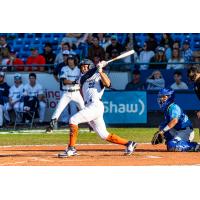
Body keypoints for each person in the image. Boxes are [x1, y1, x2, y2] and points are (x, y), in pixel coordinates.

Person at [58, 60, 137, 158]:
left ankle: (71, 148)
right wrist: (97, 67)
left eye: (85, 66)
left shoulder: (99, 75)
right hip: (90, 106)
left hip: (95, 105)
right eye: (82, 67)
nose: (83, 68)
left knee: (73, 120)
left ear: (90, 66)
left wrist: (100, 71)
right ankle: (129, 143)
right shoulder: (81, 78)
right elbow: (87, 76)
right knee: (104, 135)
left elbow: (108, 84)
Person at [45, 55, 85, 133]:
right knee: (58, 109)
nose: (70, 61)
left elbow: (84, 78)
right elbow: (64, 81)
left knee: (84, 109)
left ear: (75, 60)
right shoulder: (64, 68)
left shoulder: (79, 69)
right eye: (69, 59)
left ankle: (92, 126)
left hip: (76, 92)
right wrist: (74, 82)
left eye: (71, 59)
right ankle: (50, 127)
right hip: (66, 93)